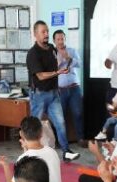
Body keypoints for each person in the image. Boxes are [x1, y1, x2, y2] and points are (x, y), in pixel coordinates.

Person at [26, 21, 79, 161]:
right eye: (43, 32)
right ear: (35, 34)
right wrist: (58, 72)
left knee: (60, 123)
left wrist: (64, 66)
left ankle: (66, 151)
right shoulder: (32, 54)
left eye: (47, 31)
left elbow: (58, 64)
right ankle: (29, 154)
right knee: (34, 126)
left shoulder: (51, 48)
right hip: (39, 94)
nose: (46, 34)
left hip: (54, 93)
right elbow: (40, 75)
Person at [53, 29, 85, 147]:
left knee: (78, 113)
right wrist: (58, 61)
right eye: (58, 39)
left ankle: (80, 139)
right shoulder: (52, 53)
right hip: (60, 89)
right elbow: (50, 70)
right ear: (54, 41)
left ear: (65, 39)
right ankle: (61, 141)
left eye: (62, 39)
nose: (61, 41)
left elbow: (80, 64)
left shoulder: (72, 51)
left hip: (74, 87)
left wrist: (69, 58)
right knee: (60, 116)